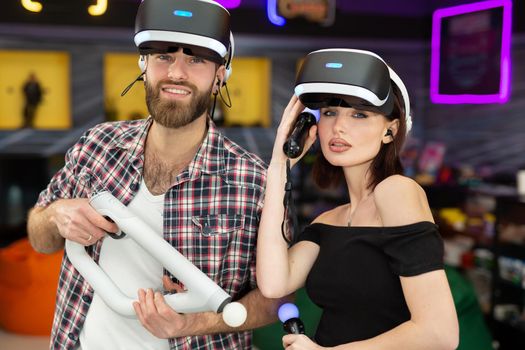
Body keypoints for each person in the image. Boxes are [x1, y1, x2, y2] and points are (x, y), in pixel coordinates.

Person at [27, 0, 286, 349]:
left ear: (220, 75)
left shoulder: (252, 182)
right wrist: (56, 215)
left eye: (196, 59)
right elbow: (40, 238)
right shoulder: (97, 145)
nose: (177, 73)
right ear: (143, 64)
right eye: (163, 56)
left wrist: (193, 323)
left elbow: (276, 301)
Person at [256, 48, 459, 349]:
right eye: (329, 112)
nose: (338, 126)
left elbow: (440, 333)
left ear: (390, 131)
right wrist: (278, 169)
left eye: (359, 114)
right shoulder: (329, 220)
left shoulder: (396, 191)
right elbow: (274, 283)